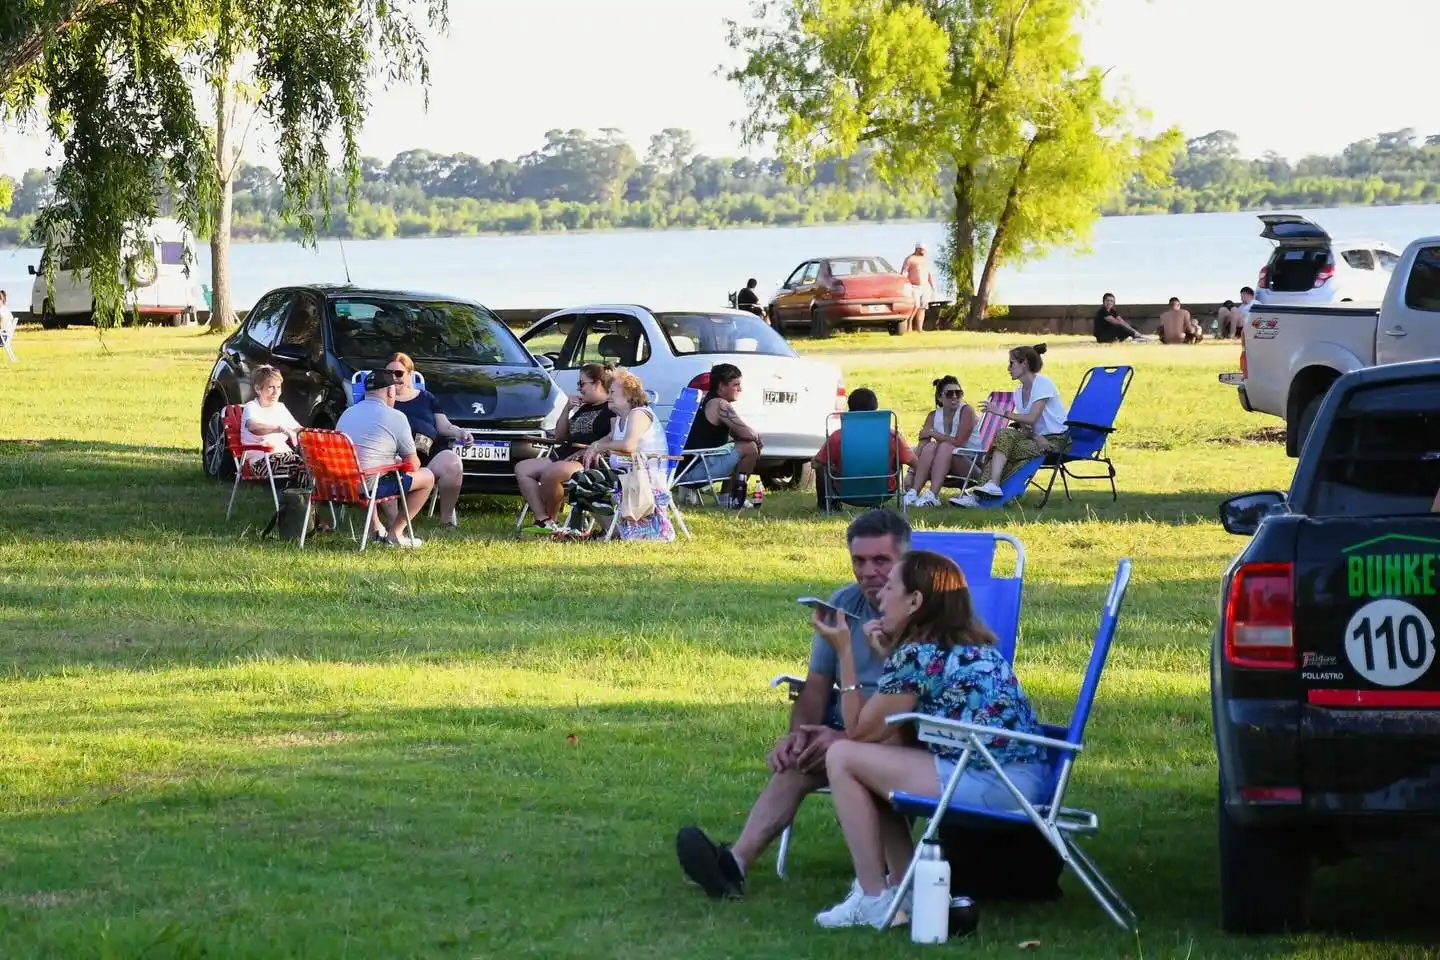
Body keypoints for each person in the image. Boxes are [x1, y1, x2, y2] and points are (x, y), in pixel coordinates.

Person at [674, 509, 913, 901]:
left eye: (881, 561)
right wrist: (798, 737)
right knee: (799, 760)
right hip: (851, 721)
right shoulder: (842, 603)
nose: (868, 571)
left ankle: (881, 880)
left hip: (901, 731)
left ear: (905, 562)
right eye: (859, 560)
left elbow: (917, 710)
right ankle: (734, 865)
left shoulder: (921, 613)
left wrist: (841, 738)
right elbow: (816, 686)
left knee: (841, 752)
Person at [809, 549, 1049, 928]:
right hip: (1024, 779)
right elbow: (884, 729)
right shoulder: (961, 646)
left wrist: (845, 653)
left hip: (997, 784)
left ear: (915, 601)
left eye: (890, 587)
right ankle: (908, 888)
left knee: (842, 755)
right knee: (877, 751)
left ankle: (873, 899)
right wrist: (892, 657)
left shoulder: (919, 656)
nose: (880, 597)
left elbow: (857, 730)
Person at [951, 344, 1069, 508]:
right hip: (1036, 438)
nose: (1008, 368)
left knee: (1003, 451)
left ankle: (978, 497)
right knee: (1004, 435)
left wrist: (1000, 412)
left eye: (1012, 363)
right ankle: (992, 485)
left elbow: (1032, 418)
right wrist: (1036, 436)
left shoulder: (1043, 383)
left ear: (1025, 364)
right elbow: (1025, 424)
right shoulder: (1018, 392)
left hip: (1056, 440)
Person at [335, 368, 436, 548]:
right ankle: (395, 533)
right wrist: (396, 462)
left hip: (339, 485)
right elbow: (413, 465)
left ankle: (376, 528)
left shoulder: (347, 413)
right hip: (366, 487)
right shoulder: (396, 416)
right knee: (427, 476)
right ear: (390, 391)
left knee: (369, 468)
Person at [515, 362, 615, 533]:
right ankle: (543, 518)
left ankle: (551, 521)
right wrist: (566, 409)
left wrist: (591, 449)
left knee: (552, 473)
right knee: (522, 468)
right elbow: (561, 437)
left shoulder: (611, 408)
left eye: (582, 383)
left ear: (597, 383)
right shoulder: (584, 408)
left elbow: (613, 437)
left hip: (587, 460)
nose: (580, 388)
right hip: (566, 454)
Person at [385, 352, 473, 527]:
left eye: (399, 373)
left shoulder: (426, 398)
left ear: (410, 375)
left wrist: (461, 433)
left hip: (427, 455)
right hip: (394, 457)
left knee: (452, 462)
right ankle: (396, 525)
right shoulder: (383, 399)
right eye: (389, 374)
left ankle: (447, 520)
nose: (394, 378)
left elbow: (444, 426)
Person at [677, 363, 764, 508]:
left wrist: (748, 436)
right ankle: (733, 498)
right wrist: (757, 439)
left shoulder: (708, 400)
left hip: (686, 467)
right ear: (722, 386)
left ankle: (727, 497)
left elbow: (739, 433)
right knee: (750, 448)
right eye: (735, 385)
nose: (740, 389)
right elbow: (746, 433)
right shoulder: (720, 405)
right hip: (694, 470)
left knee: (742, 445)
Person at [813, 388, 916, 510]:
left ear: (850, 410)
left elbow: (816, 464)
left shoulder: (838, 437)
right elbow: (914, 462)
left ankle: (827, 507)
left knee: (823, 465)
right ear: (875, 410)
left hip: (846, 492)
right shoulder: (891, 436)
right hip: (884, 491)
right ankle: (877, 502)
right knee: (897, 459)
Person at [904, 375, 977, 508]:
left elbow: (958, 442)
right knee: (930, 446)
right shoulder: (933, 416)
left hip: (972, 466)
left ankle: (933, 495)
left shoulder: (967, 411)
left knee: (945, 447)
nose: (955, 396)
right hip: (944, 466)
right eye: (949, 394)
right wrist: (910, 473)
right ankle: (914, 492)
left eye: (958, 393)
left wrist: (933, 433)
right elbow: (922, 446)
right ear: (940, 398)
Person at [240, 365, 304, 473]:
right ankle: (298, 487)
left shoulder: (280, 407)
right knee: (302, 467)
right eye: (271, 387)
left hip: (286, 455)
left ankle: (300, 489)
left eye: (278, 387)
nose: (276, 392)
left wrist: (315, 434)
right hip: (261, 459)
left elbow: (298, 428)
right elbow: (253, 426)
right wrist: (279, 428)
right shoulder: (252, 407)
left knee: (314, 465)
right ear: (257, 389)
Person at [900, 244, 935, 333]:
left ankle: (920, 328)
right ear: (918, 249)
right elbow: (904, 272)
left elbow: (929, 273)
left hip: (925, 287)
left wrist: (932, 286)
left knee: (922, 307)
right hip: (914, 286)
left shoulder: (925, 260)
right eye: (923, 250)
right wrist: (904, 284)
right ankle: (909, 323)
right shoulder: (910, 259)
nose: (925, 252)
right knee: (916, 305)